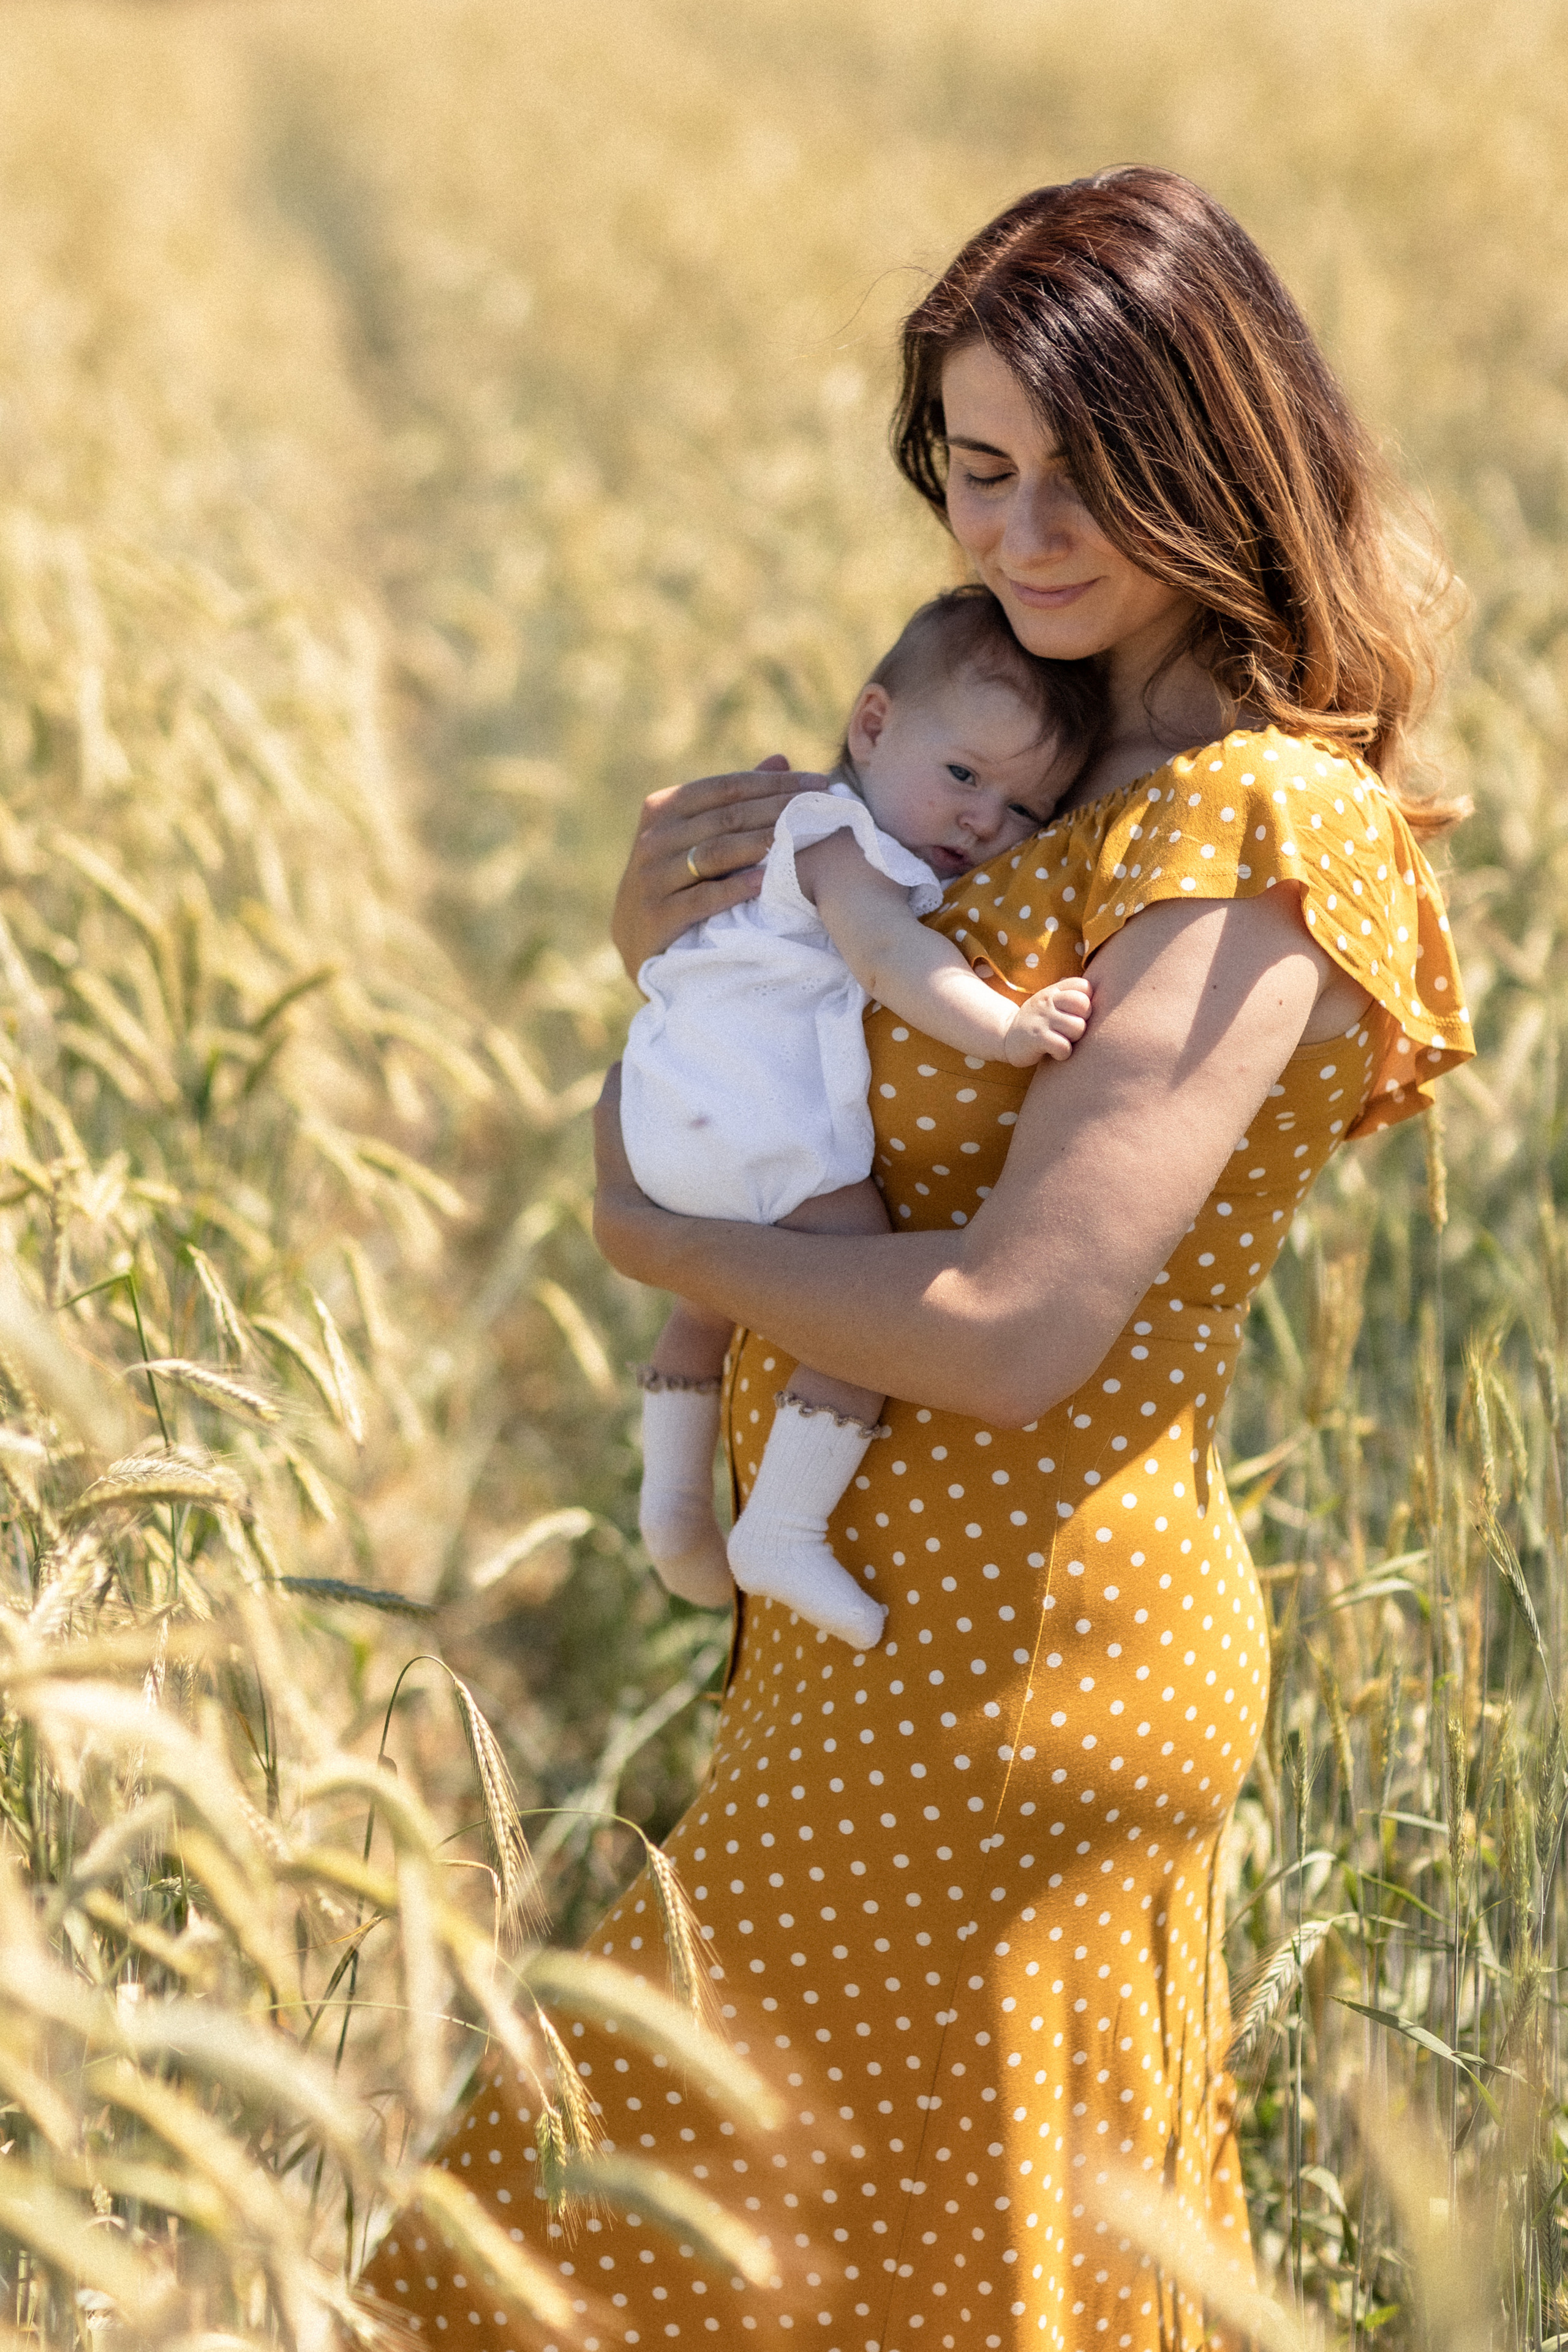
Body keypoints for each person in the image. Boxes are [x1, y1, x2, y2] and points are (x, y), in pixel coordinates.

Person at [359, 167, 1474, 2351]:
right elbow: (822, 1076)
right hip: (867, 1648)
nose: (1022, 534)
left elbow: (1009, 1321)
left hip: (1017, 1679)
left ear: (1223, 457)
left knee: (638, 2268)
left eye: (1091, 476)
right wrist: (683, 966)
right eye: (979, 471)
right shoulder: (1022, 765)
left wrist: (645, 1231)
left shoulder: (1256, 823)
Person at [626, 587, 1101, 1650]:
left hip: (669, 1122)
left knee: (706, 1303)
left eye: (1024, 810)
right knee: (862, 1294)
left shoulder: (784, 838)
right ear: (873, 726)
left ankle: (668, 1503)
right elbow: (891, 959)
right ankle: (783, 1528)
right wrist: (1007, 1026)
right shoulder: (842, 843)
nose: (985, 821)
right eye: (964, 776)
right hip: (758, 1138)